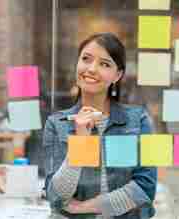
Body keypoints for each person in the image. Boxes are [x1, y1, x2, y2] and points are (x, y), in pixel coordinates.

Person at [43, 33, 157, 219]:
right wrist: (80, 142)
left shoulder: (138, 120)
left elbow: (145, 188)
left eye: (104, 64)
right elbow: (55, 196)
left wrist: (84, 207)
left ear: (117, 75)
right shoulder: (57, 124)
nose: (92, 69)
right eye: (86, 59)